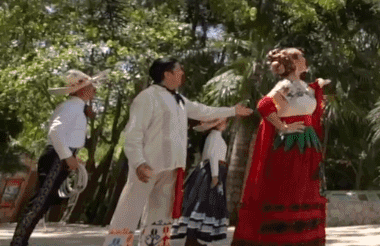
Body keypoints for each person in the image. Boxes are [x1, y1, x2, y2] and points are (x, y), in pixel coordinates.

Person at [102, 59, 252, 246]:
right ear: (167, 74)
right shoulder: (147, 97)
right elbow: (134, 132)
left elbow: (203, 111)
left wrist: (232, 110)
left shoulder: (180, 100)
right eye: (179, 70)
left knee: (160, 216)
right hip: (146, 165)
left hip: (171, 168)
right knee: (129, 211)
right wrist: (138, 162)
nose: (183, 73)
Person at [231, 48, 331, 246]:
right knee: (289, 191)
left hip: (308, 146)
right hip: (291, 147)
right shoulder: (285, 84)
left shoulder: (304, 86)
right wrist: (283, 126)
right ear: (293, 62)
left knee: (304, 191)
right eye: (300, 56)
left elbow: (310, 105)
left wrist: (318, 88)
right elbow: (264, 104)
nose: (304, 58)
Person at [11, 70, 101, 246]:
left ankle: (20, 241)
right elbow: (55, 131)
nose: (95, 90)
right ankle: (18, 242)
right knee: (40, 202)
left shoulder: (75, 107)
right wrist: (68, 156)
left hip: (60, 155)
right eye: (91, 87)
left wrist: (72, 155)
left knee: (44, 201)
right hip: (57, 157)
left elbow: (66, 134)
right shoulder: (71, 107)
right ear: (82, 90)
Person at [171, 118, 230, 245]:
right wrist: (215, 176)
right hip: (211, 173)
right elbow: (213, 157)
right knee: (203, 206)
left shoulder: (212, 136)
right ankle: (192, 240)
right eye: (222, 121)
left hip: (209, 172)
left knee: (202, 206)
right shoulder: (214, 137)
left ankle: (192, 240)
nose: (225, 124)